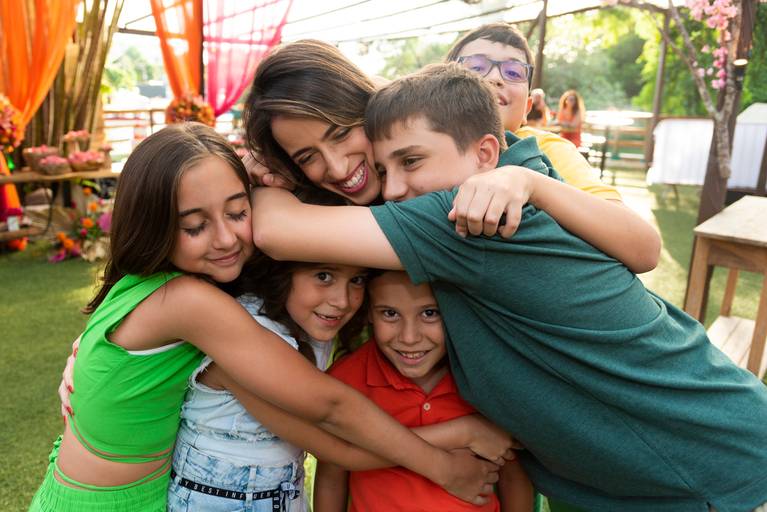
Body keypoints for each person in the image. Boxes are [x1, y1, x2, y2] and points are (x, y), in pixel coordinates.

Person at [250, 63, 767, 512]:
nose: (392, 187)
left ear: (484, 153)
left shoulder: (464, 219)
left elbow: (275, 231)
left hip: (708, 472)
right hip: (663, 466)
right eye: (386, 168)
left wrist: (264, 177)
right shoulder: (511, 170)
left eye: (410, 161)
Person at [29, 122, 500, 512]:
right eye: (195, 225)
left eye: (238, 213)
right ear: (154, 225)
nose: (226, 239)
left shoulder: (155, 284)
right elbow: (330, 407)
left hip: (91, 484)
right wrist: (446, 462)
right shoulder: (189, 302)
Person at [244, 38, 660, 275]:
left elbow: (643, 247)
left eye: (340, 132)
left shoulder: (467, 202)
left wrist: (531, 184)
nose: (336, 167)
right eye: (306, 157)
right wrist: (264, 171)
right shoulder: (381, 190)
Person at [314, 270, 534, 512]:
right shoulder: (346, 382)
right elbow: (331, 479)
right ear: (368, 312)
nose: (409, 338)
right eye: (390, 313)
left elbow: (514, 477)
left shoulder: (486, 378)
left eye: (430, 313)